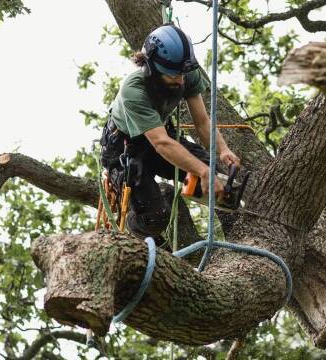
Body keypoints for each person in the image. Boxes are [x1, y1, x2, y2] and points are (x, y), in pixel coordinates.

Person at [100, 24, 240, 240]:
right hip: (126, 149)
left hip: (160, 137)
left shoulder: (185, 72)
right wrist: (202, 171)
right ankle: (136, 227)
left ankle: (235, 229)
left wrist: (222, 150)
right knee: (156, 216)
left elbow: (202, 122)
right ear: (151, 68)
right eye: (174, 75)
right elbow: (162, 144)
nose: (181, 80)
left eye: (183, 74)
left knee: (217, 177)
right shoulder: (134, 90)